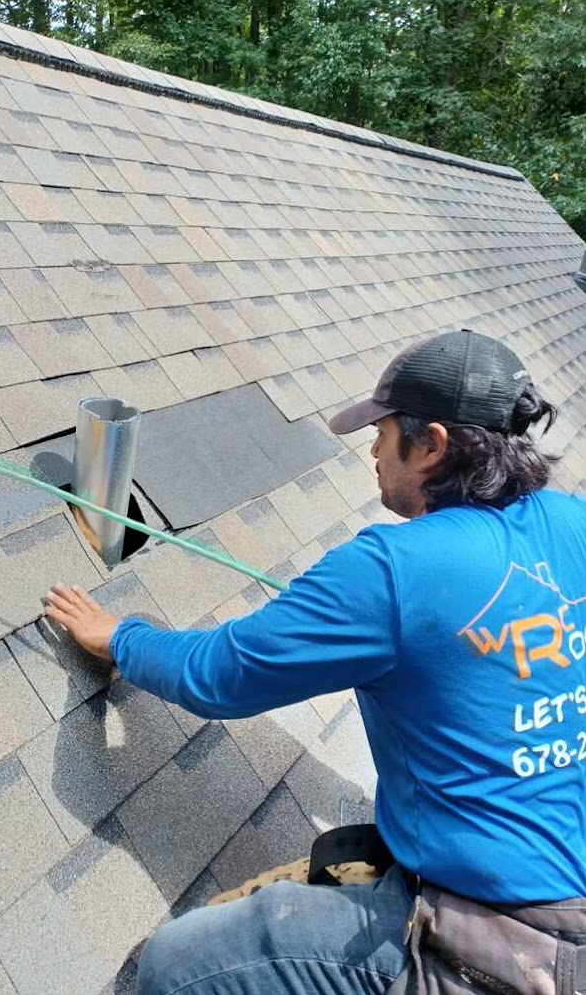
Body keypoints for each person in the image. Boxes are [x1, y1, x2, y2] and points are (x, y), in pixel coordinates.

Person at [45, 329, 586, 995]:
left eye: (383, 433)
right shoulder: (570, 519)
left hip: (517, 948)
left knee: (178, 966)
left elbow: (215, 675)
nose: (371, 451)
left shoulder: (392, 569)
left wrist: (119, 635)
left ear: (432, 445)